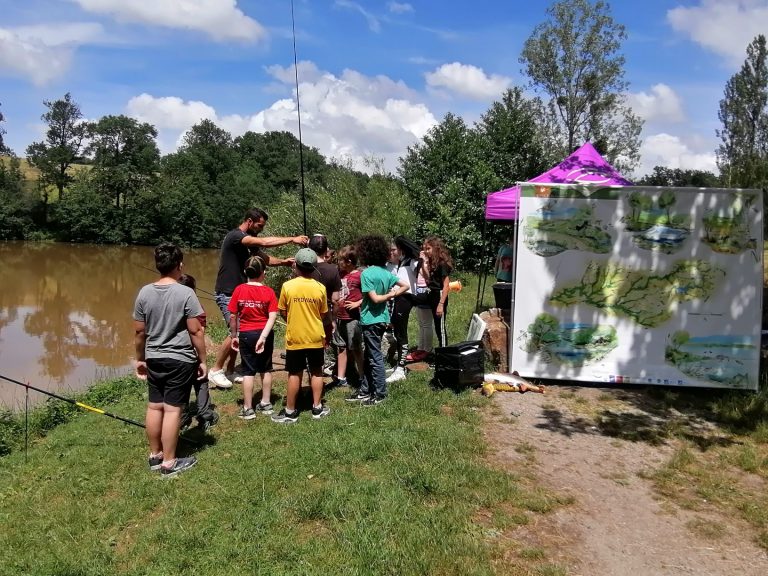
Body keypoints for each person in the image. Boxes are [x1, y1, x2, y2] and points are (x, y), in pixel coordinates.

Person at [209, 208, 308, 390]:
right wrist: (292, 239)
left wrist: (284, 262)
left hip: (240, 291)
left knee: (242, 331)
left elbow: (265, 258)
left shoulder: (249, 244)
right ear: (249, 221)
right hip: (227, 291)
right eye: (259, 225)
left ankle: (231, 370)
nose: (261, 229)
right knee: (236, 332)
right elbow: (264, 242)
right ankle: (215, 370)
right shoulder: (236, 236)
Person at [133, 243, 206, 477]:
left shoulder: (144, 292)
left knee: (155, 405)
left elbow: (139, 332)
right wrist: (202, 359)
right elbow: (196, 331)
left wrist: (140, 359)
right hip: (180, 358)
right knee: (173, 410)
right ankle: (169, 463)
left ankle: (155, 455)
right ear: (179, 265)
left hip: (154, 357)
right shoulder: (186, 293)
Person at [346, 235, 408, 406]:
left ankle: (380, 393)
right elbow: (406, 286)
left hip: (371, 320)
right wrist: (394, 293)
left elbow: (374, 299)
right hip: (382, 320)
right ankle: (365, 390)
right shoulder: (385, 273)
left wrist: (388, 295)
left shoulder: (366, 274)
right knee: (368, 356)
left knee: (375, 357)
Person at [271, 248, 331, 423]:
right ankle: (317, 408)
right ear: (314, 268)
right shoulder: (320, 288)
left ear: (296, 266)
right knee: (317, 372)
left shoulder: (287, 286)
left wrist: (293, 318)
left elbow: (283, 310)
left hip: (295, 337)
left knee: (294, 373)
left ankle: (290, 411)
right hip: (315, 337)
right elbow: (323, 313)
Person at [227, 256, 278, 419]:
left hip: (247, 335)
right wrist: (263, 337)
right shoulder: (269, 292)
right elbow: (272, 317)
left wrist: (234, 336)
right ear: (263, 273)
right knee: (266, 368)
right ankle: (266, 402)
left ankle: (248, 408)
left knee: (248, 371)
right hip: (265, 333)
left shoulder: (239, 290)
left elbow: (233, 316)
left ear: (245, 271)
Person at [177, 273, 219, 432]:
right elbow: (200, 331)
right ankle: (205, 414)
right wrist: (202, 356)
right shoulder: (197, 307)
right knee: (201, 381)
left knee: (182, 385)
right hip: (193, 351)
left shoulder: (171, 304)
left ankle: (182, 417)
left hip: (178, 352)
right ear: (193, 290)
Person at [387, 236, 421, 383]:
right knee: (397, 329)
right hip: (399, 299)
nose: (391, 252)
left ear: (401, 249)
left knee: (401, 332)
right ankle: (398, 366)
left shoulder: (412, 261)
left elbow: (422, 273)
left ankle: (401, 368)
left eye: (394, 249)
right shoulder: (401, 262)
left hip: (406, 298)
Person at [332, 244, 365, 388]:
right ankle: (341, 377)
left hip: (353, 318)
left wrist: (358, 302)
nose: (338, 262)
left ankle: (362, 376)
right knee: (341, 347)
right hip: (340, 316)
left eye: (341, 260)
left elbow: (369, 295)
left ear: (349, 261)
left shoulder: (360, 275)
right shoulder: (339, 274)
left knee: (356, 348)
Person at [308, 234, 341, 376]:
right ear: (326, 250)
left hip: (305, 313)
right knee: (319, 351)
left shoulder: (304, 267)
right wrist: (333, 319)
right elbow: (335, 299)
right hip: (324, 316)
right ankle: (317, 380)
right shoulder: (333, 269)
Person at [422, 236, 453, 349]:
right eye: (425, 248)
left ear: (436, 248)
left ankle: (444, 353)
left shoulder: (442, 264)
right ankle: (439, 352)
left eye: (428, 248)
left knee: (440, 328)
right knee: (436, 325)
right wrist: (423, 263)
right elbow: (427, 278)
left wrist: (441, 304)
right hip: (432, 294)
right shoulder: (432, 262)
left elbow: (446, 286)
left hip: (439, 296)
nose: (426, 251)